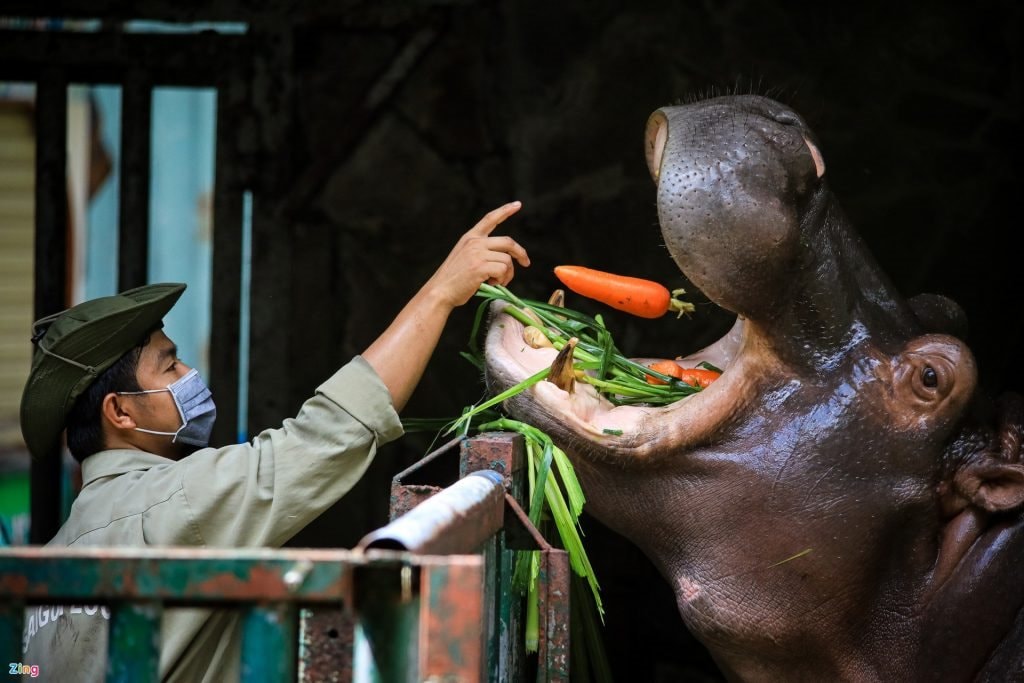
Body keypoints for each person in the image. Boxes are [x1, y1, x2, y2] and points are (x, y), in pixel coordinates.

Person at [18, 201, 528, 682]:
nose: (190, 374)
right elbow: (328, 433)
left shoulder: (48, 572)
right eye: (169, 364)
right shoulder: (176, 502)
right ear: (120, 412)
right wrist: (440, 293)